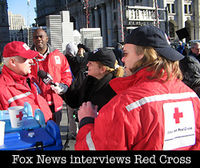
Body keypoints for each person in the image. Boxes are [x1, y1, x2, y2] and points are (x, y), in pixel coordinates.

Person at [75, 25, 200, 150]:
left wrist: (87, 121)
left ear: (142, 55)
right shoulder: (192, 97)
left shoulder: (125, 105)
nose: (122, 59)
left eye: (126, 53)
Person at [0, 41, 52, 122]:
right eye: (26, 59)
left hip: (47, 131)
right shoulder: (2, 89)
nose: (31, 61)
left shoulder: (32, 79)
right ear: (13, 62)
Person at [31, 28, 72, 126]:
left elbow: (67, 74)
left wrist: (63, 86)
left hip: (55, 102)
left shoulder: (59, 56)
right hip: (37, 103)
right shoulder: (28, 58)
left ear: (47, 39)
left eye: (41, 36)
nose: (39, 39)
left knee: (55, 131)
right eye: (36, 37)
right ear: (33, 40)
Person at [64, 48, 123, 113]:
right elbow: (75, 101)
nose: (87, 65)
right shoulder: (89, 81)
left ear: (102, 69)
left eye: (90, 63)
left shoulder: (114, 90)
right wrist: (64, 91)